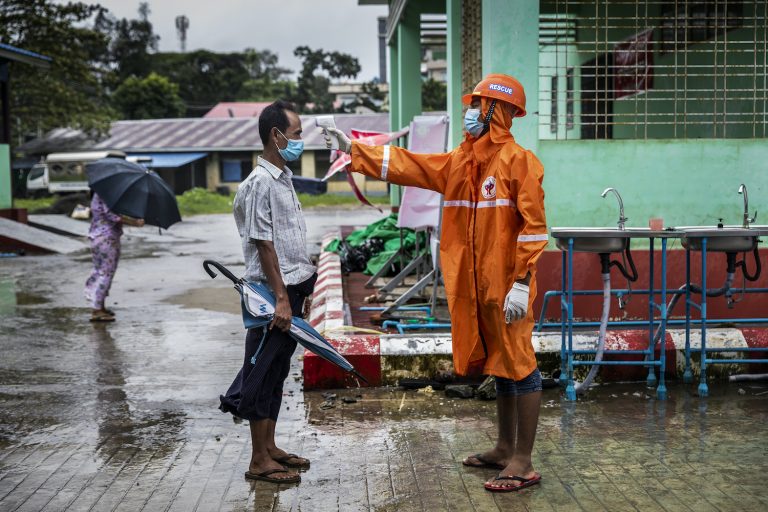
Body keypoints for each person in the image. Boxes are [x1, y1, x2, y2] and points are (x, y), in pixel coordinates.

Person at [325, 74, 548, 493]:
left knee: (521, 365)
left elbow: (534, 230)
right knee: (500, 366)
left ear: (494, 112)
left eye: (477, 105)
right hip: (478, 289)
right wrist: (351, 149)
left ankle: (523, 461)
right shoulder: (461, 162)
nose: (470, 113)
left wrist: (522, 281)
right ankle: (503, 448)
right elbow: (410, 165)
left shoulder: (520, 162)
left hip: (509, 288)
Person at [219, 99, 317, 485]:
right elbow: (264, 243)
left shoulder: (282, 178)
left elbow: (289, 240)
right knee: (259, 371)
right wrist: (280, 299)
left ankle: (271, 446)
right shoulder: (259, 184)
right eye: (296, 135)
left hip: (289, 290)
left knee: (276, 370)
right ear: (276, 136)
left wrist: (300, 288)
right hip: (270, 295)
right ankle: (258, 459)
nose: (300, 141)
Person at [84, 192, 144, 322]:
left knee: (101, 271)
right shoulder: (105, 195)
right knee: (105, 273)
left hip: (99, 236)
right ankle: (97, 310)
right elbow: (113, 216)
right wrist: (135, 222)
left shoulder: (99, 193)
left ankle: (100, 306)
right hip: (107, 238)